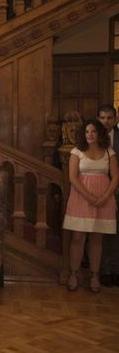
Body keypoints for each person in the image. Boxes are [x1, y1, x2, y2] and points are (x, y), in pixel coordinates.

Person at [63, 119, 119, 293]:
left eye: (93, 131)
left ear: (99, 133)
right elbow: (72, 177)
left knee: (97, 239)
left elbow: (116, 177)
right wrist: (89, 196)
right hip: (81, 198)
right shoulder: (76, 151)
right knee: (78, 238)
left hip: (104, 200)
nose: (90, 135)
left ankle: (95, 275)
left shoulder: (109, 152)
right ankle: (74, 274)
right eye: (87, 132)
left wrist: (104, 197)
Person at [97, 105, 119, 287]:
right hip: (98, 191)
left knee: (116, 232)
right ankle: (103, 270)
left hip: (117, 189)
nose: (106, 121)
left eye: (109, 118)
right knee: (101, 231)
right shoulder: (92, 137)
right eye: (103, 118)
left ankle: (115, 269)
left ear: (115, 118)